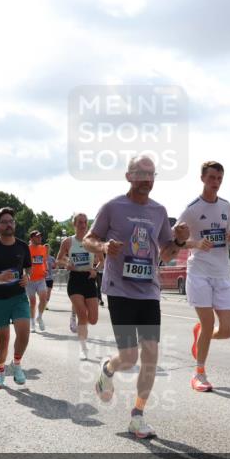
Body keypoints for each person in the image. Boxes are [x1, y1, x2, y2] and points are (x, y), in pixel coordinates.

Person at [84, 155, 190, 438]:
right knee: (130, 357)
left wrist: (179, 240)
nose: (147, 179)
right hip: (119, 289)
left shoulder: (159, 211)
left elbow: (166, 253)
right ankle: (108, 369)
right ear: (129, 176)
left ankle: (137, 416)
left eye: (151, 174)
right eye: (141, 174)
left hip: (148, 291)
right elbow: (88, 239)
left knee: (151, 353)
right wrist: (104, 247)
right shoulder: (113, 207)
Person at [177, 161, 230, 392]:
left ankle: (201, 335)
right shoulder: (192, 209)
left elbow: (227, 234)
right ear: (203, 178)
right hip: (199, 273)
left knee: (227, 330)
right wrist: (195, 243)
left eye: (219, 179)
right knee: (208, 322)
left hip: (222, 273)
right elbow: (175, 240)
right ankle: (199, 374)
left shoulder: (226, 206)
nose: (216, 182)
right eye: (212, 178)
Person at [0, 207, 32, 388]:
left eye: (11, 221)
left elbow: (28, 268)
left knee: (24, 334)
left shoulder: (23, 246)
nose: (8, 224)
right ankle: (0, 370)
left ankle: (16, 364)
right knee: (2, 341)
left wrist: (27, 277)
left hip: (19, 297)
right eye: (4, 222)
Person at [56, 212, 102, 360]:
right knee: (83, 315)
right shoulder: (68, 242)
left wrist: (95, 270)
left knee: (93, 319)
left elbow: (102, 261)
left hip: (89, 280)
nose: (83, 225)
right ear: (74, 224)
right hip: (75, 280)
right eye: (80, 222)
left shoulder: (93, 241)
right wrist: (67, 264)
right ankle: (83, 348)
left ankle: (76, 317)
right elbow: (59, 259)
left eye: (85, 222)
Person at [25, 231, 49, 331]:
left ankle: (39, 317)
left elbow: (44, 261)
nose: (40, 238)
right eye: (37, 237)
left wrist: (46, 270)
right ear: (31, 238)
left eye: (40, 236)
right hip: (30, 280)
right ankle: (32, 323)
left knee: (43, 298)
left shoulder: (43, 248)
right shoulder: (26, 249)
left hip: (40, 279)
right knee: (33, 302)